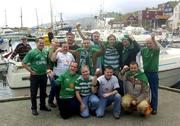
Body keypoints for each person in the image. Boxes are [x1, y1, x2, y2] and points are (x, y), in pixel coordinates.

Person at [22, 37, 51, 116]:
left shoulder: (46, 52)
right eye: (40, 43)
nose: (42, 44)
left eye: (43, 43)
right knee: (34, 93)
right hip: (35, 76)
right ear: (36, 43)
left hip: (43, 75)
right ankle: (34, 108)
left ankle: (42, 106)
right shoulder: (31, 52)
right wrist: (31, 71)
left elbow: (48, 62)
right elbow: (23, 63)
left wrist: (48, 69)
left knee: (43, 92)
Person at [141, 35, 160, 115]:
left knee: (154, 91)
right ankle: (145, 105)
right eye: (147, 43)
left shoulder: (155, 50)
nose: (149, 45)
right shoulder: (143, 50)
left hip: (153, 74)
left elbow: (157, 47)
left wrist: (153, 39)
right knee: (144, 90)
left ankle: (154, 107)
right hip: (145, 73)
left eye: (150, 43)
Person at [46, 38, 60, 107]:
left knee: (57, 86)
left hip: (57, 71)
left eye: (57, 42)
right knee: (54, 86)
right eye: (55, 42)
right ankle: (50, 101)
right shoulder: (50, 49)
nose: (56, 44)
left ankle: (57, 100)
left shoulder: (59, 49)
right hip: (50, 70)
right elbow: (50, 58)